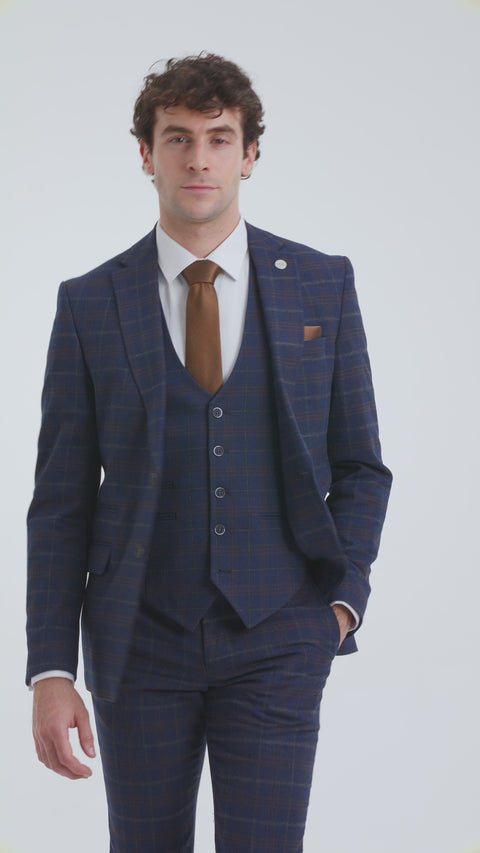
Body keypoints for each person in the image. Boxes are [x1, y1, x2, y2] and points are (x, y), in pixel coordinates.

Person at [27, 53, 392, 852]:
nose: (199, 159)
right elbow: (60, 501)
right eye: (179, 138)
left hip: (280, 636)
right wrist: (50, 670)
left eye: (220, 138)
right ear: (146, 154)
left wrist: (339, 605)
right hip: (137, 641)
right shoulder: (90, 303)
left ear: (250, 154)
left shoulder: (322, 284)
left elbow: (361, 466)